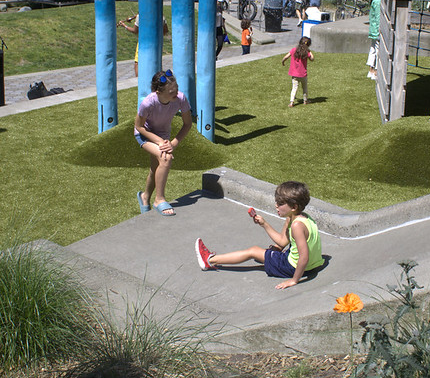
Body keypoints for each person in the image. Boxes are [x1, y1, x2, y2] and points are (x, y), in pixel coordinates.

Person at [194, 181, 324, 290]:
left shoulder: (296, 226)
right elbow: (283, 241)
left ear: (294, 206)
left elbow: (304, 257)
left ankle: (209, 260)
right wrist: (264, 224)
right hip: (312, 266)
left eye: (280, 203)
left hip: (292, 267)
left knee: (253, 251)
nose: (276, 206)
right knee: (273, 248)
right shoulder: (303, 218)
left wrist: (294, 280)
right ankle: (272, 256)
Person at [134, 69, 193, 216]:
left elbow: (187, 124)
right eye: (171, 91)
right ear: (158, 92)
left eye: (176, 89)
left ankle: (144, 196)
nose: (176, 93)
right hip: (145, 134)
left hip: (164, 136)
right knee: (165, 158)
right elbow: (139, 126)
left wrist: (173, 143)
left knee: (156, 169)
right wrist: (160, 141)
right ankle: (159, 199)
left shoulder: (181, 98)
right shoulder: (148, 103)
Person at [281, 36, 314, 107]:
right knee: (305, 88)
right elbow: (312, 58)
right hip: (303, 74)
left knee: (294, 88)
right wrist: (309, 51)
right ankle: (305, 100)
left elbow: (286, 57)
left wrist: (283, 61)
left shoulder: (294, 50)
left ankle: (291, 102)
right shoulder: (306, 52)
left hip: (294, 74)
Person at [367, 0, 383, 81]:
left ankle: (370, 70)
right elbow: (377, 16)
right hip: (376, 29)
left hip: (372, 29)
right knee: (377, 50)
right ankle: (375, 71)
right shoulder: (378, 0)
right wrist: (379, 28)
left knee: (373, 49)